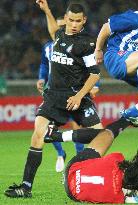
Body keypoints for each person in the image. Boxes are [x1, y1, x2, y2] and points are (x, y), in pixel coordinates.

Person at [4, 0, 104, 198]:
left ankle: (60, 139)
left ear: (84, 20)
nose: (74, 24)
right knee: (37, 134)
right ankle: (25, 187)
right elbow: (53, 31)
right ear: (65, 19)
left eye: (78, 21)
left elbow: (95, 74)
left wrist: (80, 95)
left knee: (101, 136)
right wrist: (47, 10)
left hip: (77, 97)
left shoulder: (87, 43)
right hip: (54, 97)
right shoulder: (59, 35)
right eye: (71, 20)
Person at [36, 16, 99, 172]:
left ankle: (78, 162)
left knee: (78, 126)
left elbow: (89, 69)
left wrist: (95, 85)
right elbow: (44, 65)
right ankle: (60, 153)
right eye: (59, 27)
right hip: (53, 91)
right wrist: (41, 79)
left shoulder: (77, 46)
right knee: (48, 127)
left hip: (73, 91)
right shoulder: (47, 48)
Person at [42, 117, 138, 204]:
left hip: (74, 169)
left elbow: (119, 160)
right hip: (72, 193)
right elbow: (133, 199)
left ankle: (125, 120)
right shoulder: (118, 198)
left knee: (107, 133)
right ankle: (127, 121)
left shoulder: (116, 160)